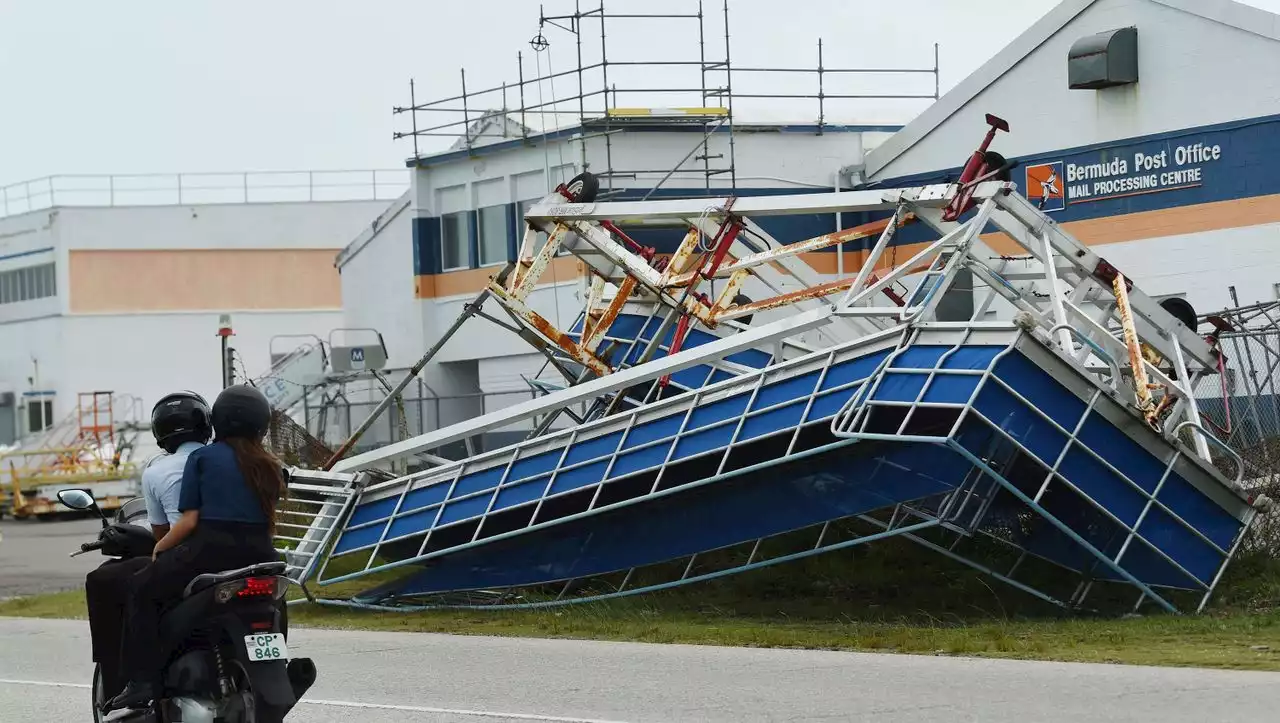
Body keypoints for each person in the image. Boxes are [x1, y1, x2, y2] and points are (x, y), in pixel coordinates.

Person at [106, 384, 287, 712]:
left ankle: (142, 682)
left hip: (209, 551)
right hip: (262, 553)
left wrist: (160, 548)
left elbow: (189, 521)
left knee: (139, 588)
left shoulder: (203, 458)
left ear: (218, 420)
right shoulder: (271, 465)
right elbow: (269, 520)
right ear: (262, 423)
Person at [85, 390, 212, 702]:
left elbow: (166, 531)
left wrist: (160, 546)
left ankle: (133, 681)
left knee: (111, 581)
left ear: (161, 432)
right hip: (250, 553)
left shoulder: (158, 470)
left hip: (189, 557)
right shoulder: (230, 460)